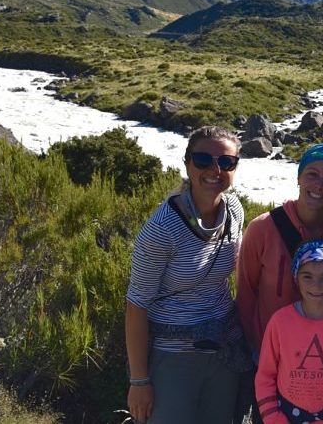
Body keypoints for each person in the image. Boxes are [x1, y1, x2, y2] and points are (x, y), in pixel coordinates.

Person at [237, 136, 323, 422]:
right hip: (272, 363)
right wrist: (257, 349)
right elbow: (247, 295)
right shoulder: (263, 228)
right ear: (299, 176)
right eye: (312, 174)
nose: (319, 185)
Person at [125, 126, 250, 424]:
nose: (214, 170)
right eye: (203, 159)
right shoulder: (162, 229)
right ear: (187, 163)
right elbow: (136, 305)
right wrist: (139, 382)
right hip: (173, 356)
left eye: (226, 162)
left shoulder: (234, 209)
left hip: (223, 352)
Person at [255, 237, 323, 424]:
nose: (317, 285)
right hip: (286, 416)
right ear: (296, 278)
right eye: (308, 276)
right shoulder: (280, 321)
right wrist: (274, 418)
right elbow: (265, 375)